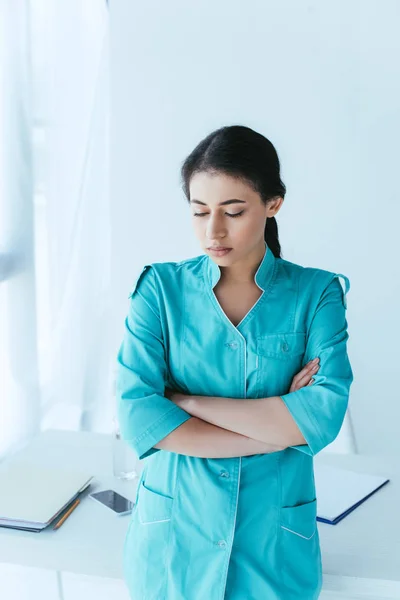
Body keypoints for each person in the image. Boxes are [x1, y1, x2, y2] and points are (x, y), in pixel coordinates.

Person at [116, 124, 354, 600]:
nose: (213, 231)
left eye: (233, 211)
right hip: (173, 543)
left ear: (273, 204)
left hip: (273, 545)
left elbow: (322, 417)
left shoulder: (317, 294)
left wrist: (185, 401)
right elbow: (140, 417)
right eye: (199, 211)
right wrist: (277, 424)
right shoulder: (159, 291)